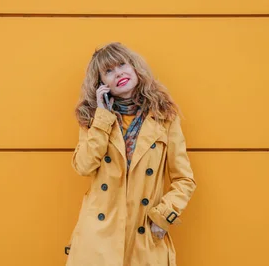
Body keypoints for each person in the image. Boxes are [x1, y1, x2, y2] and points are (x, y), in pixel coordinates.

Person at [65, 42, 196, 266]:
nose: (118, 73)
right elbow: (83, 166)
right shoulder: (93, 119)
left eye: (122, 65)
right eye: (108, 71)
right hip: (99, 237)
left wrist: (163, 216)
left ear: (134, 67)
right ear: (101, 84)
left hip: (144, 232)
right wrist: (103, 118)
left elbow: (184, 179)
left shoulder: (163, 116)